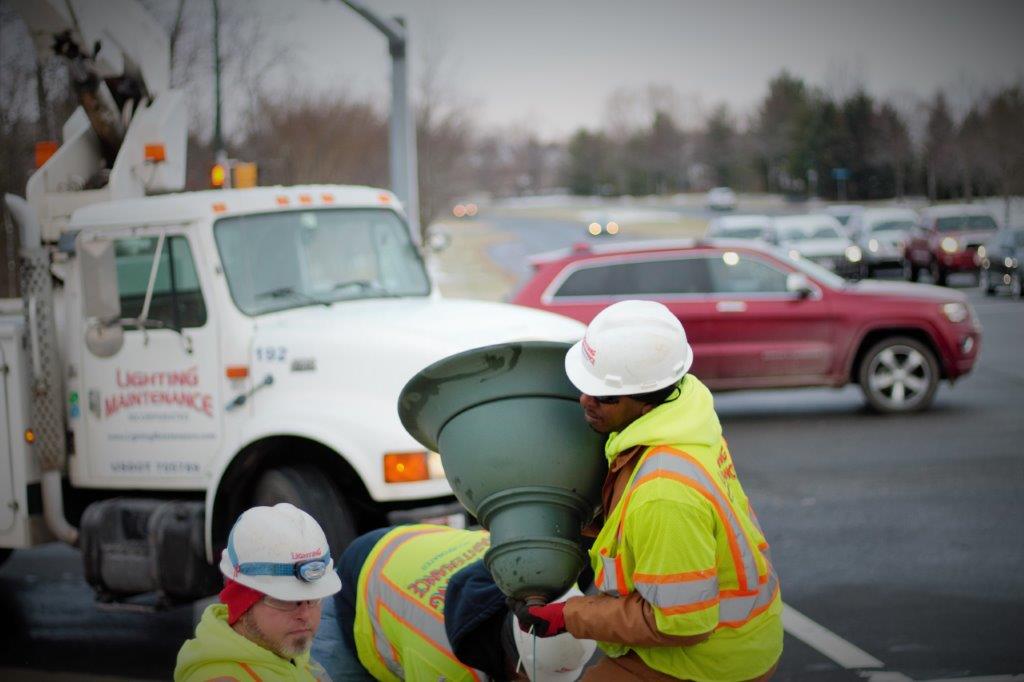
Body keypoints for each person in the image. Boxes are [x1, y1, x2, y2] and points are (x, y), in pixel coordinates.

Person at [511, 300, 783, 681]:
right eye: (585, 386)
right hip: (742, 637)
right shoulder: (685, 413)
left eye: (605, 396)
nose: (584, 401)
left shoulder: (664, 495)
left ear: (645, 400)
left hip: (714, 661)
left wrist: (569, 615)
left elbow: (680, 623)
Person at [311, 524, 597, 681]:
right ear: (513, 661)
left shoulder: (551, 584)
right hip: (359, 585)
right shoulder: (445, 665)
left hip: (415, 546)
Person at [175, 503, 341, 681]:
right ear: (242, 604)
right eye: (285, 600)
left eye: (313, 598)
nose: (305, 615)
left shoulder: (289, 657)